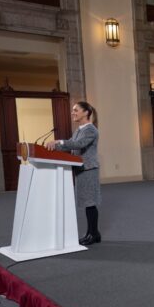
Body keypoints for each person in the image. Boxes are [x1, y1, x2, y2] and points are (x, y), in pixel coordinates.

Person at [46, 101, 102, 245]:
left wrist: (59, 141)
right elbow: (71, 144)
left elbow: (79, 145)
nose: (73, 113)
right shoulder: (79, 130)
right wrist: (52, 147)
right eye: (73, 110)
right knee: (86, 202)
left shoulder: (91, 130)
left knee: (90, 202)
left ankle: (94, 234)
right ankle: (91, 233)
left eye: (76, 110)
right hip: (81, 169)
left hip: (89, 169)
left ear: (86, 112)